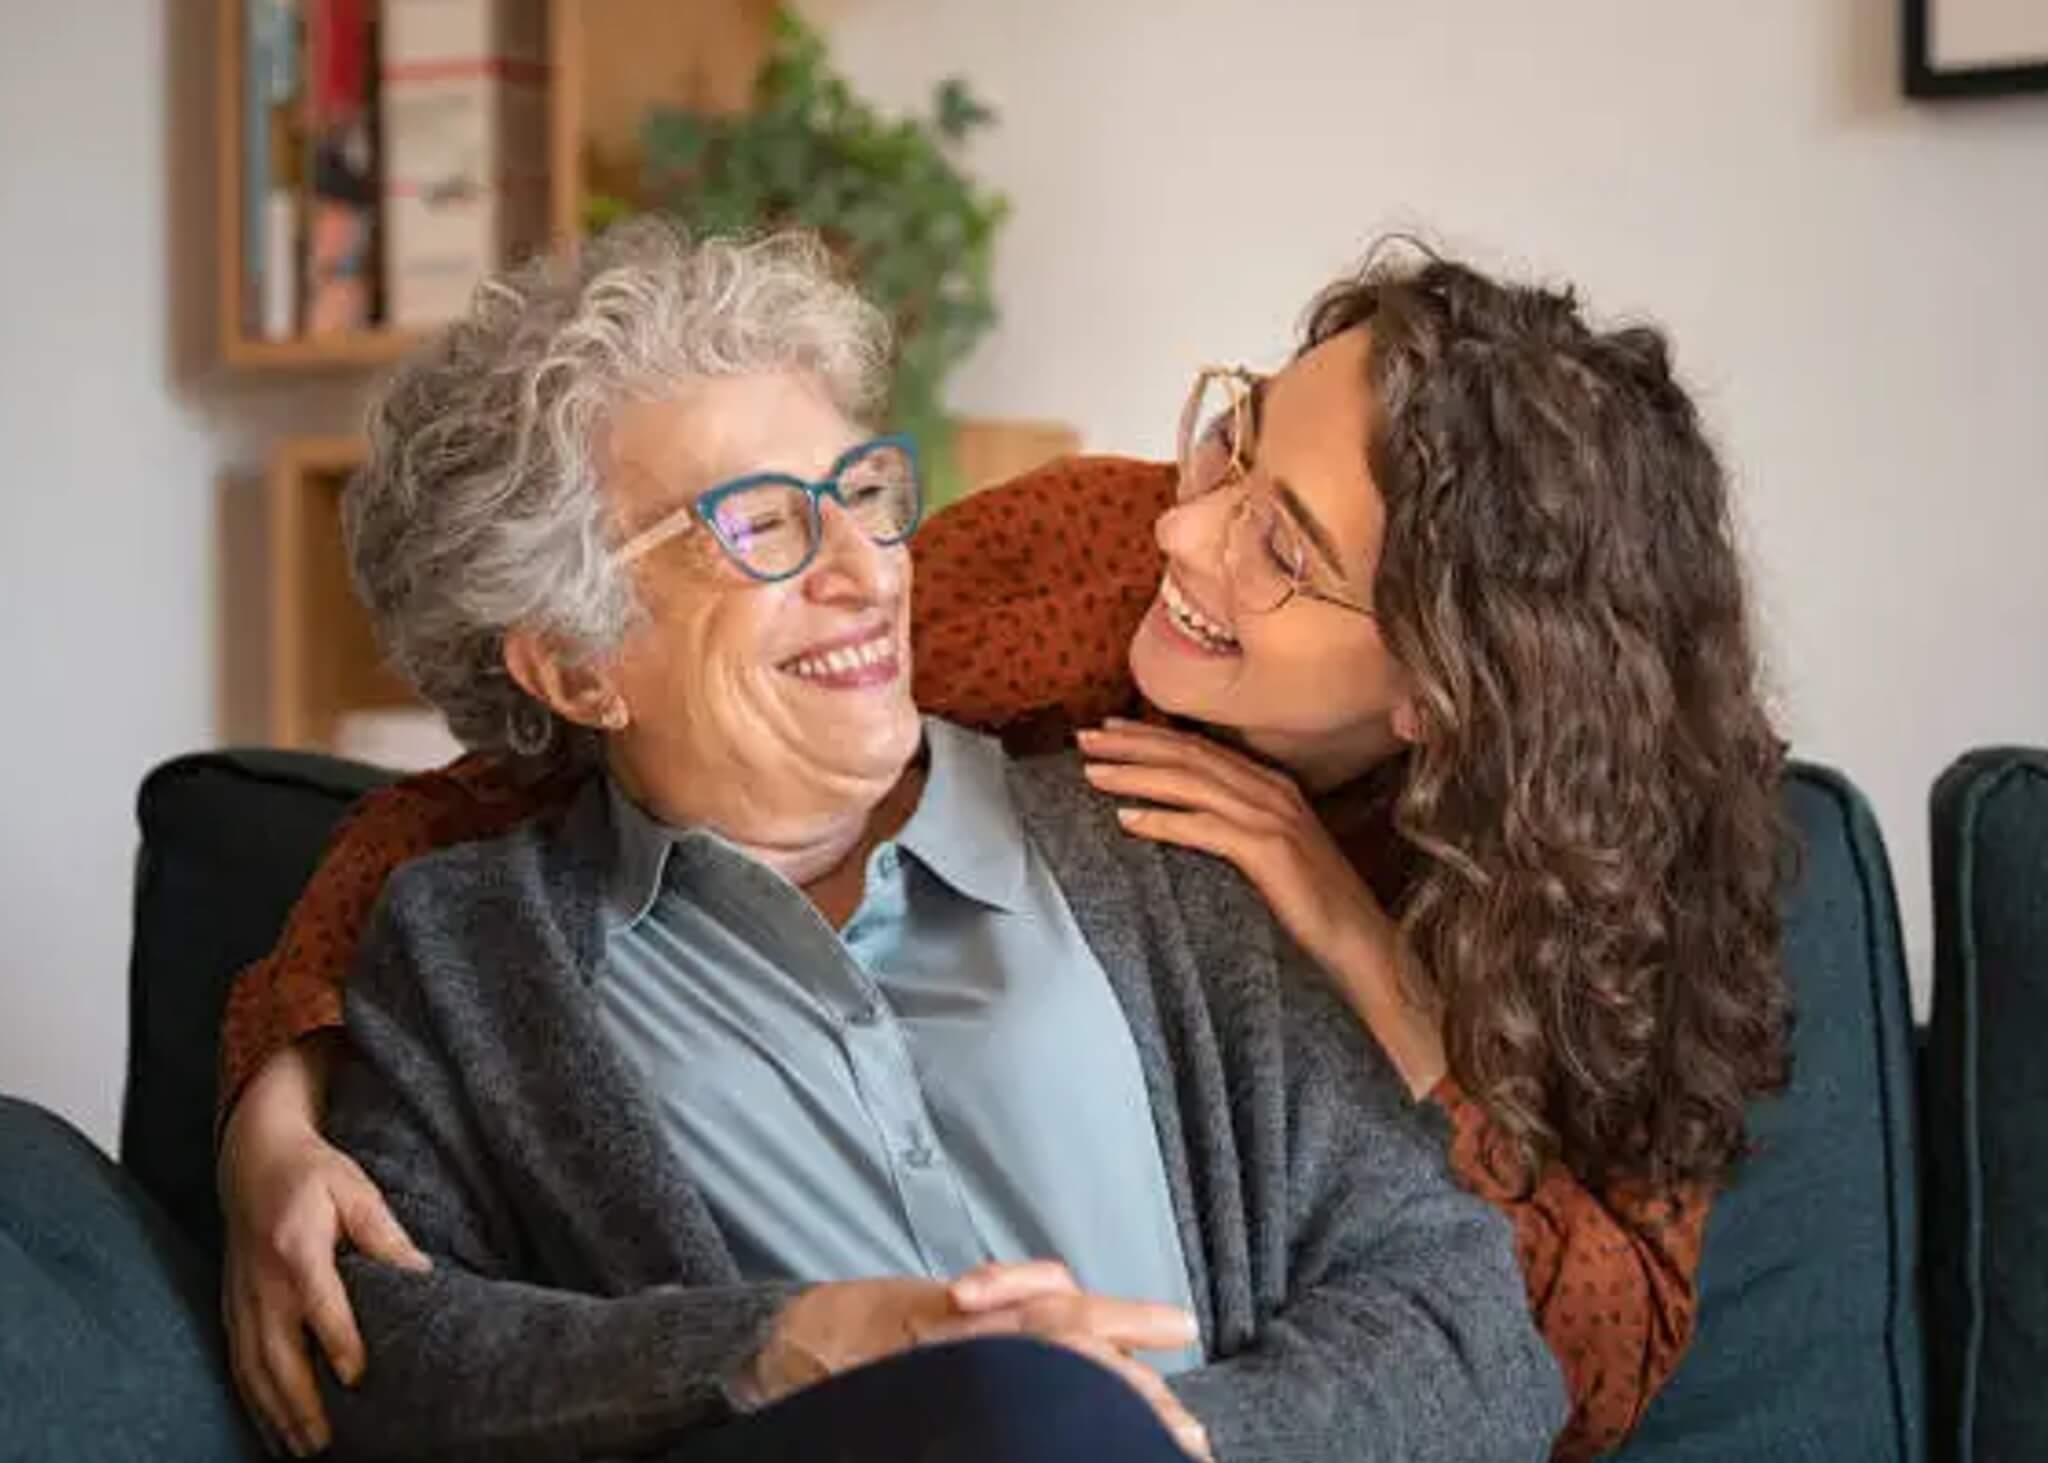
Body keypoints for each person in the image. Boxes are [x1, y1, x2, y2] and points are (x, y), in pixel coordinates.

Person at [218, 234, 1789, 1461]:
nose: (1186, 531)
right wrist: (271, 1114)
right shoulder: (1083, 588)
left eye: (1282, 545)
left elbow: (1518, 1346)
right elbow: (395, 1339)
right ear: (573, 660)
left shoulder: (1199, 868)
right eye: (765, 523)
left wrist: (1154, 1441)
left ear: (1451, 684)